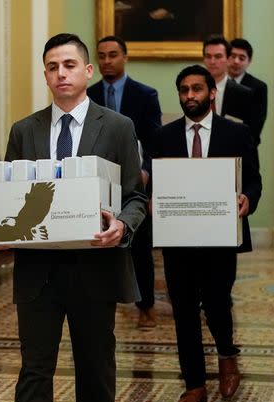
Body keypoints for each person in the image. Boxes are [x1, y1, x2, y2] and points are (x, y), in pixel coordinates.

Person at [0, 33, 147, 402]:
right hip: (39, 273)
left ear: (88, 71)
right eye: (52, 66)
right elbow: (9, 200)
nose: (61, 73)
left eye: (70, 64)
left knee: (95, 367)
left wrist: (122, 226)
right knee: (34, 370)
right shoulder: (23, 130)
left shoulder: (117, 127)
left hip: (94, 267)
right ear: (45, 75)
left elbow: (134, 196)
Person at [149, 65, 261, 402]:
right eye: (183, 90)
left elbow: (254, 181)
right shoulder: (164, 136)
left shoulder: (236, 133)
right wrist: (153, 202)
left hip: (220, 236)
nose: (189, 96)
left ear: (212, 93)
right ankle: (194, 383)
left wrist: (247, 200)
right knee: (182, 309)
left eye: (197, 89)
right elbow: (156, 184)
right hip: (178, 238)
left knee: (216, 303)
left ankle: (227, 356)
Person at [88, 35, 162, 329]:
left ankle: (146, 306)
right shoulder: (88, 94)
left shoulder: (145, 95)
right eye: (102, 56)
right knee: (99, 239)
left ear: (125, 57)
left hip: (136, 181)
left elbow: (155, 141)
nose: (107, 61)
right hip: (98, 182)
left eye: (113, 55)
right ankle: (104, 300)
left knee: (140, 247)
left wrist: (145, 171)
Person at [202, 35, 258, 143]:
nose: (212, 61)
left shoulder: (243, 94)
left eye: (218, 56)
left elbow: (249, 135)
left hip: (232, 151)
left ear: (228, 59)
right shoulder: (194, 91)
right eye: (208, 56)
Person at [228, 38, 268, 146]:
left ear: (249, 61)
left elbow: (256, 124)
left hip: (246, 147)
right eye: (232, 56)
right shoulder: (213, 84)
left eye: (241, 58)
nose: (236, 61)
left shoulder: (258, 87)